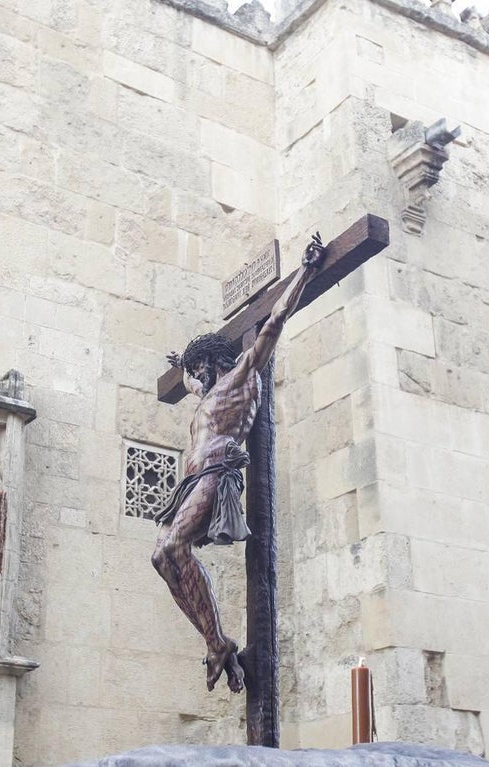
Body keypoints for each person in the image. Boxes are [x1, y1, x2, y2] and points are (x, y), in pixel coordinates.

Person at [152, 233, 325, 692]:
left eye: (201, 365)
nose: (197, 375)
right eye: (195, 370)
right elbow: (188, 383)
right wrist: (180, 368)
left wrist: (305, 272)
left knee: (174, 550)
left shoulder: (240, 379)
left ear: (216, 361)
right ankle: (215, 641)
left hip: (215, 473)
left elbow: (274, 324)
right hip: (188, 482)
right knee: (159, 555)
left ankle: (218, 643)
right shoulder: (206, 393)